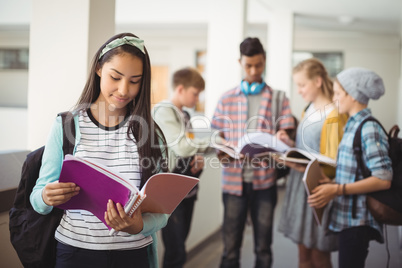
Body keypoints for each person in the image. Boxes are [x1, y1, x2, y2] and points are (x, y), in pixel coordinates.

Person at [30, 33, 169, 268]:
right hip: (75, 252)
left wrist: (139, 226)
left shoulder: (150, 133)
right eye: (115, 77)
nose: (124, 89)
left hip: (134, 255)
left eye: (134, 81)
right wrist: (46, 196)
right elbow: (37, 196)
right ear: (98, 69)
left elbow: (162, 211)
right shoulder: (66, 126)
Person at [211, 37, 295, 268]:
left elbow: (287, 130)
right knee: (230, 250)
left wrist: (283, 137)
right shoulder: (226, 98)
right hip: (232, 182)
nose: (254, 70)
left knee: (263, 248)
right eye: (248, 66)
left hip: (264, 183)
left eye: (258, 65)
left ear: (264, 61)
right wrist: (222, 146)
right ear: (240, 62)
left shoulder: (279, 97)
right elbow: (215, 134)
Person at [308, 68, 393, 268]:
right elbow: (356, 170)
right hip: (348, 217)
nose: (334, 98)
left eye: (338, 93)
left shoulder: (368, 128)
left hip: (358, 222)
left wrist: (337, 189)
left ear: (353, 95)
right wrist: (331, 183)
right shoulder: (351, 126)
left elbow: (383, 178)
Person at [277, 58, 348, 268]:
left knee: (319, 256)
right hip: (300, 188)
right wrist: (288, 143)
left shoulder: (334, 114)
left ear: (317, 81)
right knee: (303, 255)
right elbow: (306, 147)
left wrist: (296, 163)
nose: (298, 90)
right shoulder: (308, 108)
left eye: (302, 84)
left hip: (318, 190)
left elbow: (332, 162)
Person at [152, 67, 215, 268]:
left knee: (179, 248)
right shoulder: (164, 111)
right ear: (180, 89)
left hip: (187, 191)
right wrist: (213, 143)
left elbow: (189, 147)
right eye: (195, 93)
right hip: (172, 194)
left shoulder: (185, 115)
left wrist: (198, 156)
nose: (197, 99)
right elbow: (181, 146)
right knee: (175, 251)